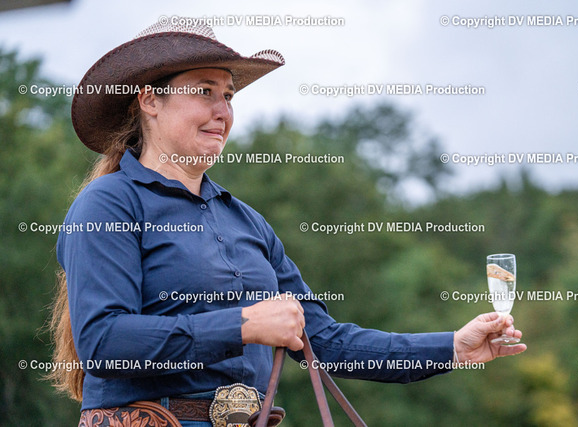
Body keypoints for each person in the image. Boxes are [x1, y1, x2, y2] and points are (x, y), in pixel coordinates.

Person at [50, 18, 527, 427]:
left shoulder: (247, 222)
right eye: (204, 92)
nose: (222, 111)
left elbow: (326, 341)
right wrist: (242, 324)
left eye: (228, 95)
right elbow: (104, 343)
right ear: (149, 101)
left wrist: (452, 348)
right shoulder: (106, 205)